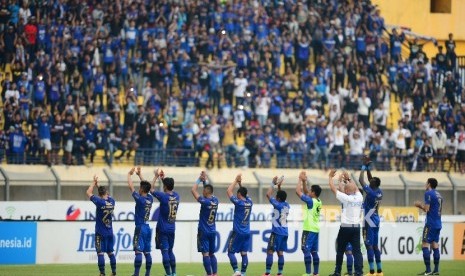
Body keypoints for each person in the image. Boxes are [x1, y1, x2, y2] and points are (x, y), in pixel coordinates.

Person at [328, 169, 364, 276]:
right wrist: (348, 178)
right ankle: (358, 272)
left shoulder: (345, 198)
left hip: (345, 227)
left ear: (347, 191)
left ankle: (337, 271)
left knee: (340, 250)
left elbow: (333, 189)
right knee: (357, 251)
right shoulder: (359, 197)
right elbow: (356, 187)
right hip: (356, 227)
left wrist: (330, 177)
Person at [150, 168, 180, 276]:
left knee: (165, 252)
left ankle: (168, 274)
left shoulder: (163, 196)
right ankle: (174, 273)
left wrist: (156, 176)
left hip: (163, 228)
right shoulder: (177, 196)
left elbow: (151, 189)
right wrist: (164, 179)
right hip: (172, 228)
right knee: (171, 251)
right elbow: (168, 189)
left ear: (165, 187)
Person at [86, 175, 116, 276]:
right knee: (110, 252)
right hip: (110, 232)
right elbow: (105, 194)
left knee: (100, 253)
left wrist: (93, 183)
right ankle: (114, 272)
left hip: (100, 232)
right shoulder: (112, 202)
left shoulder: (99, 202)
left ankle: (102, 273)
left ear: (99, 194)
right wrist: (99, 185)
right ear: (106, 192)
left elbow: (88, 193)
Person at [358, 157, 384, 276]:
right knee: (375, 245)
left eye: (372, 180)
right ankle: (379, 270)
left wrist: (363, 166)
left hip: (369, 218)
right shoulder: (379, 191)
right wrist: (369, 168)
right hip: (376, 217)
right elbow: (369, 179)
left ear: (373, 184)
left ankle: (372, 271)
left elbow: (361, 180)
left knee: (369, 245)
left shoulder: (371, 192)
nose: (370, 180)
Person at [191, 171, 219, 276]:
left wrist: (199, 179)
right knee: (212, 254)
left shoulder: (204, 201)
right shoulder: (216, 200)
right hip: (212, 230)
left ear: (206, 192)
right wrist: (205, 180)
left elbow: (193, 190)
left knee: (205, 254)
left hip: (204, 231)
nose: (202, 192)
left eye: (203, 191)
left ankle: (209, 274)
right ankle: (215, 274)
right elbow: (208, 191)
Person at [127, 167, 154, 276]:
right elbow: (147, 186)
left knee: (138, 252)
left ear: (142, 190)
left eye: (140, 187)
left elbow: (131, 186)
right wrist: (139, 175)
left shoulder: (140, 199)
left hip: (140, 227)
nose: (138, 188)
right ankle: (147, 274)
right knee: (147, 253)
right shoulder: (150, 198)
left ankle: (136, 274)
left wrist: (129, 174)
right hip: (148, 228)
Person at [295, 171, 322, 276]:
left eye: (311, 190)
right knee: (314, 252)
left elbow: (298, 191)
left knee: (305, 249)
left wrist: (299, 179)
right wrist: (304, 181)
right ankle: (316, 273)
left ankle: (307, 273)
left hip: (309, 229)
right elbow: (306, 191)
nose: (309, 191)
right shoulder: (318, 201)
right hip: (315, 229)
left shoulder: (311, 201)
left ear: (313, 193)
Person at [226, 173, 253, 276]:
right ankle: (243, 273)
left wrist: (235, 181)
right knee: (244, 253)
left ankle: (236, 271)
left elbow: (228, 191)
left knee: (230, 252)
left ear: (239, 194)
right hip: (246, 232)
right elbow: (247, 195)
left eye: (238, 193)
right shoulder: (250, 202)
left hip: (237, 232)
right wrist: (240, 184)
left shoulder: (238, 203)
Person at [414, 178, 443, 276]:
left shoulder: (428, 193)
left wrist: (419, 205)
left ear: (429, 184)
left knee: (425, 245)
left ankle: (428, 270)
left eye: (426, 182)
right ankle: (436, 270)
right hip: (438, 223)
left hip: (430, 224)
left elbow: (427, 209)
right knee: (435, 245)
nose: (425, 184)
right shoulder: (439, 195)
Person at [262, 175, 289, 276]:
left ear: (277, 199)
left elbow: (268, 194)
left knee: (270, 251)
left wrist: (273, 183)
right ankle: (280, 273)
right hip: (285, 232)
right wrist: (279, 187)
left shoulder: (277, 204)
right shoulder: (287, 204)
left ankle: (268, 273)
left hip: (276, 232)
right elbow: (281, 196)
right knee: (280, 253)